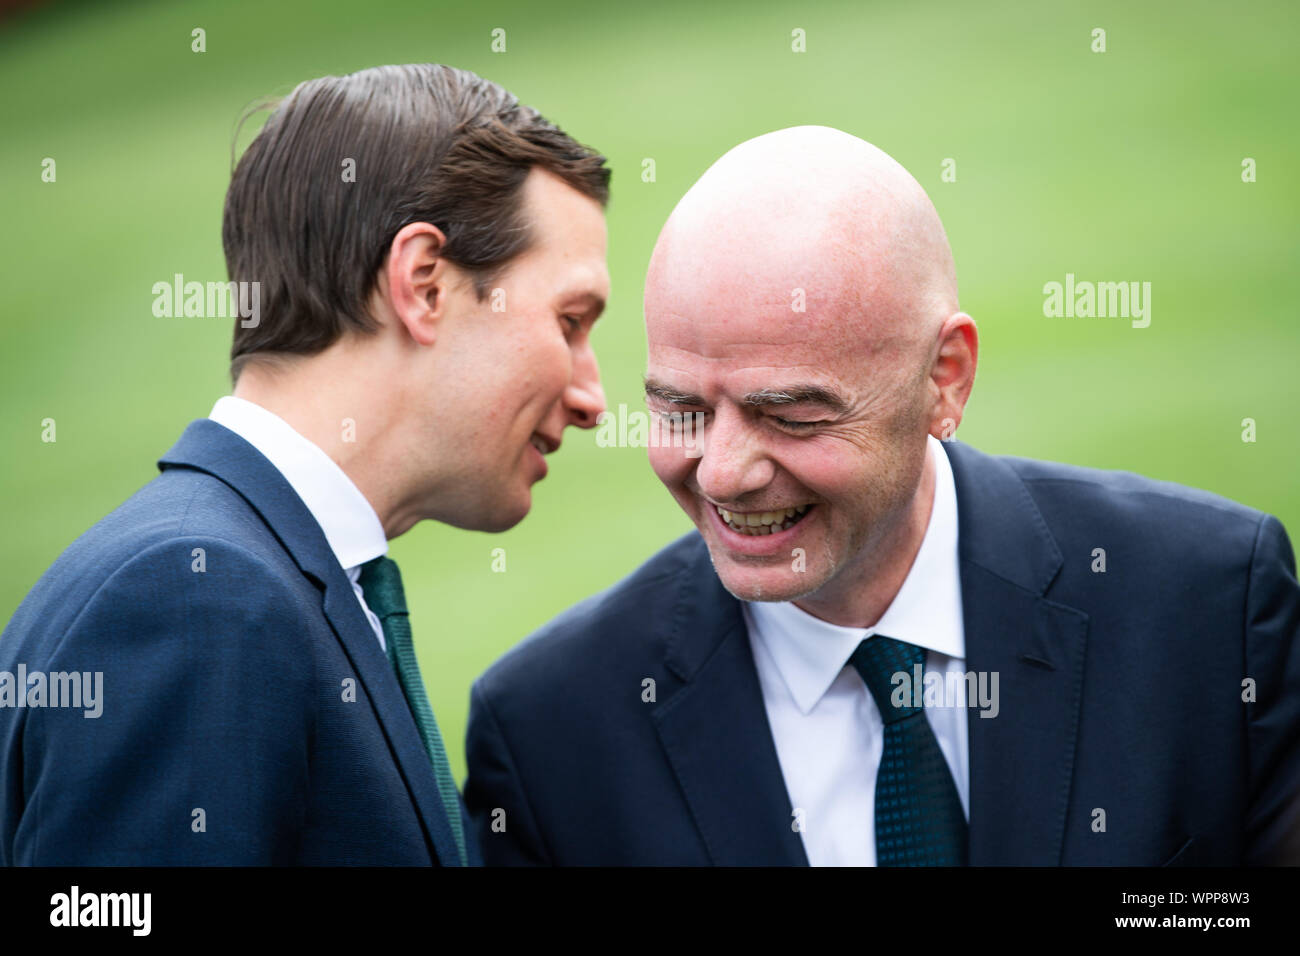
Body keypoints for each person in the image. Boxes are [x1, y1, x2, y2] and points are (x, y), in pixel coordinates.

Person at [463, 125, 1300, 866]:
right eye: (681, 410)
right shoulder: (551, 735)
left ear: (945, 379)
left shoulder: (1210, 607)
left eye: (788, 415)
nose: (721, 473)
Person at [0, 63, 611, 865]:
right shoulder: (199, 597)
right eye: (569, 322)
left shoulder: (257, 578)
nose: (594, 397)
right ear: (424, 284)